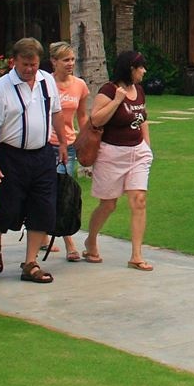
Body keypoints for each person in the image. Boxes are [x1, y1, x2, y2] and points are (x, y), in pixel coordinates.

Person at [0, 36, 65, 283]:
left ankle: (30, 263)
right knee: (10, 207)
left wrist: (62, 141)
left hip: (42, 153)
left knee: (44, 208)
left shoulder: (46, 80)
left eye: (33, 64)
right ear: (14, 61)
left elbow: (57, 112)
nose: (29, 70)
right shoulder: (2, 87)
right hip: (11, 155)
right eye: (24, 65)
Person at [83, 50, 154, 270]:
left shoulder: (139, 91)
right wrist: (117, 101)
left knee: (139, 200)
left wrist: (147, 147)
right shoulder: (108, 90)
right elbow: (95, 119)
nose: (144, 71)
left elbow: (143, 119)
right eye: (140, 67)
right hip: (111, 154)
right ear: (130, 69)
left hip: (137, 153)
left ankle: (136, 255)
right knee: (108, 204)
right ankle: (91, 240)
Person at [48, 40, 89, 262]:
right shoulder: (45, 83)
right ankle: (43, 233)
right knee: (45, 190)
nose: (70, 63)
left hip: (69, 145)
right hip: (46, 144)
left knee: (64, 192)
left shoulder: (80, 85)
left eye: (72, 59)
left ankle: (68, 240)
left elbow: (82, 115)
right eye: (65, 60)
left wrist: (87, 139)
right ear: (54, 62)